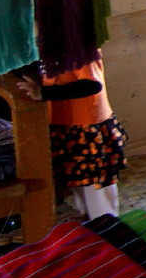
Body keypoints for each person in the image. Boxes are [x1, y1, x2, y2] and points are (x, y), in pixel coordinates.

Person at [16, 55, 127, 219]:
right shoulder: (52, 46)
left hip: (87, 129)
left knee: (97, 192)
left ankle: (107, 230)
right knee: (81, 189)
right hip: (66, 125)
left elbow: (92, 84)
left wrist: (45, 92)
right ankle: (93, 229)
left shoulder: (78, 47)